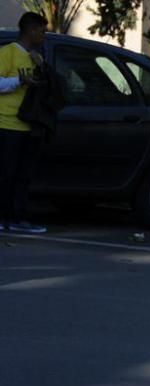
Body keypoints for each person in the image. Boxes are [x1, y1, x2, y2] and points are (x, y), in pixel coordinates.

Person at [0, 12, 48, 234]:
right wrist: (19, 80)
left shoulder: (36, 57)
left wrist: (41, 69)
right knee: (6, 173)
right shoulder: (8, 52)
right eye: (41, 31)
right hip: (7, 123)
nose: (44, 36)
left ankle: (18, 217)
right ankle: (4, 217)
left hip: (30, 124)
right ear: (31, 31)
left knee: (23, 175)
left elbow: (47, 87)